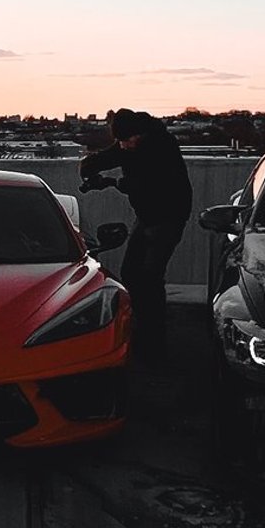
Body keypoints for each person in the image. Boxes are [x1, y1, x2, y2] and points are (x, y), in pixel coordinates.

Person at [79, 107, 192, 359]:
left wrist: (110, 182)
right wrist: (88, 166)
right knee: (132, 273)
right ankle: (142, 329)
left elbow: (142, 184)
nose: (124, 145)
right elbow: (113, 155)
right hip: (148, 217)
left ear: (140, 135)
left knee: (150, 278)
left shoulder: (161, 148)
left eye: (127, 140)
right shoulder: (132, 142)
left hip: (168, 218)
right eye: (120, 140)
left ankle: (154, 342)